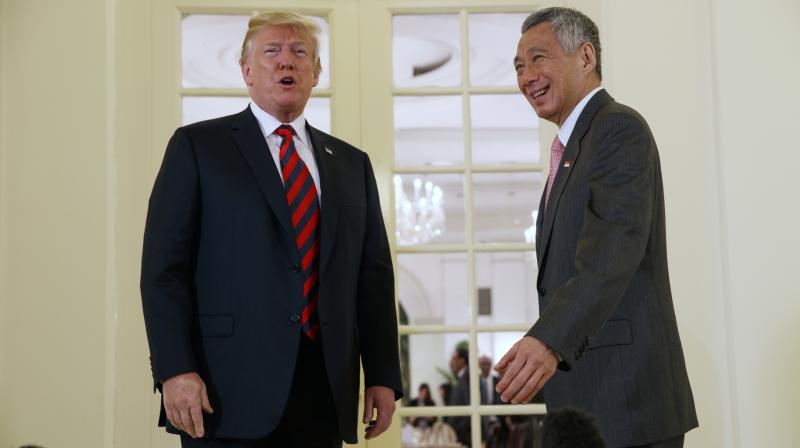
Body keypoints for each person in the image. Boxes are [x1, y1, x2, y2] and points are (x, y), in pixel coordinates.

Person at [140, 11, 402, 448]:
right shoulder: (198, 147)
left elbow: (372, 277)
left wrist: (382, 375)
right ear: (246, 70)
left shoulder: (351, 164)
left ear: (316, 73)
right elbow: (164, 270)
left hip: (324, 387)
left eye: (300, 52)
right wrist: (174, 369)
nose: (287, 62)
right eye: (272, 51)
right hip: (223, 391)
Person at [495, 7, 698, 448]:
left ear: (585, 57)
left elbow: (612, 249)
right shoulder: (570, 147)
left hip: (628, 402)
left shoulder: (617, 129)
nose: (526, 76)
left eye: (538, 58)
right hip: (589, 402)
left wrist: (548, 340)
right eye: (518, 65)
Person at [445, 343, 470, 447]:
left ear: (462, 360)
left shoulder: (468, 378)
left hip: (466, 435)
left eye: (454, 358)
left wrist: (460, 431)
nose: (452, 362)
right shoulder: (461, 378)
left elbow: (469, 406)